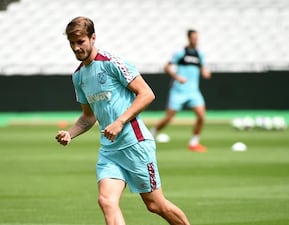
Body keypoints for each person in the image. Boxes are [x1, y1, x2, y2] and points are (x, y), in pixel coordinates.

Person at [56, 16, 191, 225]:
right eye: (72, 43)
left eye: (80, 41)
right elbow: (88, 116)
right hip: (110, 151)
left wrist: (119, 122)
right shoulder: (78, 76)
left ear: (93, 38)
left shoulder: (112, 63)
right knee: (106, 201)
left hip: (135, 144)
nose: (76, 47)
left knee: (155, 205)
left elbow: (146, 94)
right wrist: (70, 134)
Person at [150, 29, 211, 152]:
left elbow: (203, 68)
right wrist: (177, 77)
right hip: (178, 91)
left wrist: (205, 72)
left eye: (197, 38)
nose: (196, 40)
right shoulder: (181, 53)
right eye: (193, 38)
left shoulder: (200, 55)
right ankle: (151, 135)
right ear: (189, 38)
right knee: (168, 117)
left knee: (201, 116)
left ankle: (194, 143)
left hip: (193, 92)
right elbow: (167, 67)